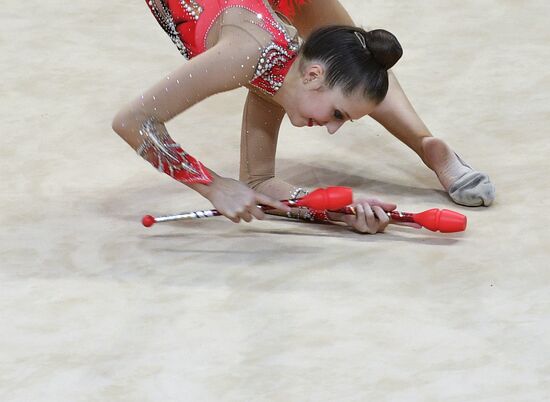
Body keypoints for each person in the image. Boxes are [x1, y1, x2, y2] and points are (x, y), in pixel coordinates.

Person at [112, 0, 494, 234]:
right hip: (239, 24)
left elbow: (259, 184)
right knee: (350, 58)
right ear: (312, 76)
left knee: (357, 54)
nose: (331, 129)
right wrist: (212, 185)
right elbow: (132, 120)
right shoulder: (245, 55)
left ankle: (427, 146)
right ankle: (425, 144)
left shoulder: (282, 75)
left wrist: (342, 212)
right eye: (337, 115)